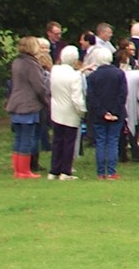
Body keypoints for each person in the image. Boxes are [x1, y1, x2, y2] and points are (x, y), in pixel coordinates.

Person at [7, 36, 48, 178]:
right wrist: (46, 101)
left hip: (16, 103)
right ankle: (24, 171)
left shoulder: (17, 62)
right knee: (27, 138)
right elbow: (39, 87)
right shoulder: (31, 64)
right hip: (28, 105)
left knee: (18, 138)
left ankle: (18, 169)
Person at [85, 46, 127, 179]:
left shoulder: (92, 76)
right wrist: (114, 111)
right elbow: (122, 95)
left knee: (101, 142)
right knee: (113, 142)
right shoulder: (119, 74)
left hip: (98, 114)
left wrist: (103, 112)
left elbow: (91, 97)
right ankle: (111, 171)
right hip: (116, 113)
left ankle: (100, 172)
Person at [48, 45, 86, 179]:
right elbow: (77, 98)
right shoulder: (74, 76)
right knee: (69, 142)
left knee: (57, 141)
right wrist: (82, 111)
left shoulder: (55, 70)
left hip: (57, 110)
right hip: (70, 112)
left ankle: (54, 170)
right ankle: (65, 171)